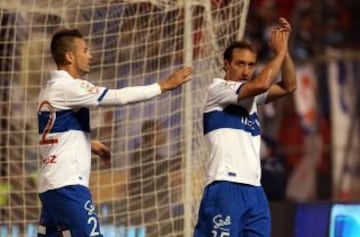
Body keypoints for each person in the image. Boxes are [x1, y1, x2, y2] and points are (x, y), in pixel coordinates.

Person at [37, 28, 192, 237]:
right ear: (70, 56)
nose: (90, 55)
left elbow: (54, 133)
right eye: (85, 50)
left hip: (51, 187)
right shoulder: (69, 87)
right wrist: (163, 86)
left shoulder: (49, 89)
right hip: (68, 185)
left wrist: (88, 144)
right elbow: (118, 97)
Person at [193, 17, 296, 237]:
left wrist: (284, 51)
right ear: (226, 63)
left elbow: (289, 86)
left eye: (251, 65)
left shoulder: (253, 99)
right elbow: (262, 83)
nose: (246, 71)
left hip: (255, 191)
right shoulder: (218, 90)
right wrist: (277, 54)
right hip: (225, 187)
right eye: (240, 64)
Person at [128, 119, 182, 237]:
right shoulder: (141, 154)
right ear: (154, 133)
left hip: (154, 208)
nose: (165, 133)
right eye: (161, 129)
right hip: (148, 208)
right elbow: (166, 165)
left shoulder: (147, 154)